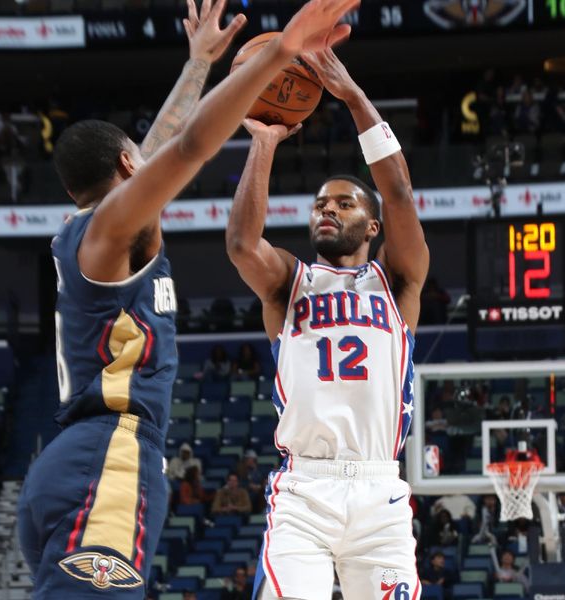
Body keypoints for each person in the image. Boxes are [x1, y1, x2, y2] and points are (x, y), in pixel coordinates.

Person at [15, 0, 357, 597]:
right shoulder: (109, 230)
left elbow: (161, 143)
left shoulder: (97, 230)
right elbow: (189, 145)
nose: (149, 162)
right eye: (139, 160)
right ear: (128, 165)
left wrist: (198, 63)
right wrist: (278, 51)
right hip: (108, 457)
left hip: (77, 460)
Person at [226, 48, 428, 599]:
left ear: (372, 226)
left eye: (343, 203)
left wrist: (353, 97)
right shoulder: (288, 282)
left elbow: (401, 193)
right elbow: (243, 243)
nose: (327, 210)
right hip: (304, 492)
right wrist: (263, 144)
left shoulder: (399, 282)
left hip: (379, 490)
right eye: (320, 204)